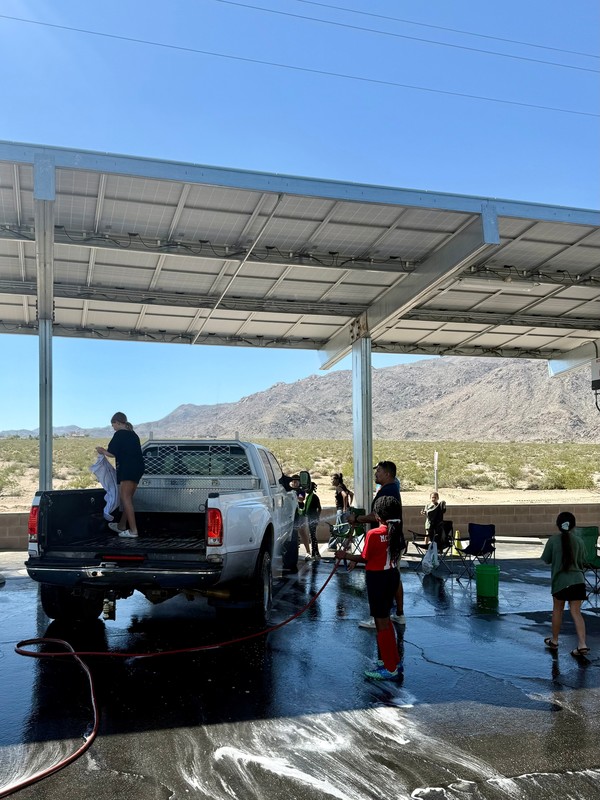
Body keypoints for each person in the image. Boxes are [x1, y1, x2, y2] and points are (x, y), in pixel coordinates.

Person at [335, 495, 404, 680]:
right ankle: (392, 660)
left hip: (377, 579)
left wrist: (345, 555)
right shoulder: (396, 530)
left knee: (381, 623)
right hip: (391, 576)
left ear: (379, 515)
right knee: (386, 621)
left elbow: (365, 557)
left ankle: (389, 668)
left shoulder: (374, 534)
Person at [347, 461, 405, 628]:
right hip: (391, 541)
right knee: (394, 577)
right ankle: (397, 614)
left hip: (386, 542)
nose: (376, 474)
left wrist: (357, 519)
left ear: (387, 474)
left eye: (378, 471)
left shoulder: (389, 491)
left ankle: (379, 617)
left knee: (381, 580)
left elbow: (376, 515)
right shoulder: (390, 489)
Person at [541, 511, 589, 658]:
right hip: (578, 581)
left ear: (558, 525)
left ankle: (554, 641)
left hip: (560, 583)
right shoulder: (579, 541)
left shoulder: (553, 541)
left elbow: (546, 559)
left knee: (558, 610)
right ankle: (582, 644)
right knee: (576, 612)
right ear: (574, 526)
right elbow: (583, 559)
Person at [95, 412, 144, 539]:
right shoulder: (133, 435)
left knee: (125, 499)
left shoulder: (120, 434)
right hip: (137, 469)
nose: (113, 428)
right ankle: (122, 525)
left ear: (118, 422)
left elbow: (111, 453)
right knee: (128, 498)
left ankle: (133, 531)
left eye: (113, 425)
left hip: (127, 469)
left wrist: (101, 451)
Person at [303, 481, 323, 560]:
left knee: (312, 535)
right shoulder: (309, 497)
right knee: (312, 535)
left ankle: (315, 553)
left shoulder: (313, 497)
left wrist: (317, 517)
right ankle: (316, 552)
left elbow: (319, 508)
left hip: (313, 518)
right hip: (311, 518)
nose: (306, 489)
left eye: (308, 488)